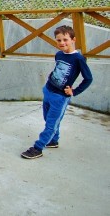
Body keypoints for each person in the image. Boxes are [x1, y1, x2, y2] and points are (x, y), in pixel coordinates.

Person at [21, 25, 93, 159]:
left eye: (65, 40)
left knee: (51, 124)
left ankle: (38, 148)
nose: (62, 43)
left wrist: (74, 91)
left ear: (73, 40)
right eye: (59, 40)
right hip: (48, 90)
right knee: (48, 119)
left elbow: (88, 78)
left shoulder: (78, 59)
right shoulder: (59, 54)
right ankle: (53, 141)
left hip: (60, 97)